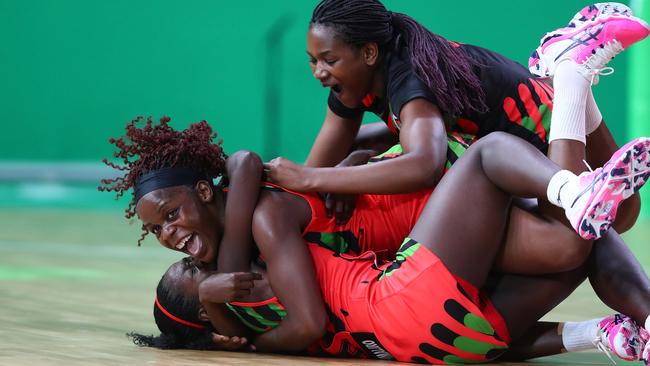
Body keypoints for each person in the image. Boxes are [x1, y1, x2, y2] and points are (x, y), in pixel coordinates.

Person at [131, 132, 650, 364]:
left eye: (167, 223)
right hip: (409, 291)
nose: (173, 242)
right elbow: (243, 162)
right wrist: (219, 298)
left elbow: (244, 174)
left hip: (435, 346)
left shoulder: (243, 284)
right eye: (190, 270)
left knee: (581, 242)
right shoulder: (243, 272)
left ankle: (613, 335)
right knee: (493, 152)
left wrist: (354, 160)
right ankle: (572, 173)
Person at [263, 0, 649, 234]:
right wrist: (333, 168)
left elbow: (424, 163)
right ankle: (566, 71)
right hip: (540, 109)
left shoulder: (410, 77)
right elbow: (323, 163)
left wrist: (316, 177)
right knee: (626, 212)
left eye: (329, 60)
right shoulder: (357, 81)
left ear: (368, 53)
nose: (319, 72)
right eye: (313, 61)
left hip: (545, 127)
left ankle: (570, 73)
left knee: (584, 226)